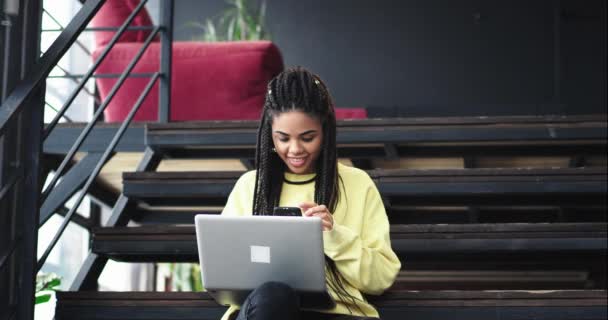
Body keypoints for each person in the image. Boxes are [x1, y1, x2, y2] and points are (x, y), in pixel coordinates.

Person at [220, 66, 401, 320]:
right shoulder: (250, 186)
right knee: (274, 296)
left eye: (307, 137)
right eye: (282, 138)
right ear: (270, 135)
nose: (294, 149)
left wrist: (334, 236)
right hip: (268, 311)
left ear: (325, 132)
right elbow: (224, 282)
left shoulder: (358, 184)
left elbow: (381, 278)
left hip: (338, 312)